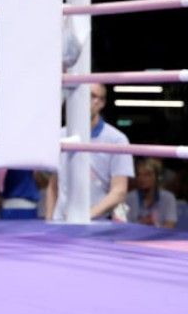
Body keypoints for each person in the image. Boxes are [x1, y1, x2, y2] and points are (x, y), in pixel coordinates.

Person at [46, 84, 134, 222]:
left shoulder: (117, 140)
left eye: (91, 95)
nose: (84, 100)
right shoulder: (59, 135)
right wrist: (49, 221)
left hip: (97, 223)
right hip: (60, 221)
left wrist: (85, 216)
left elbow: (119, 191)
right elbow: (53, 184)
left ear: (101, 102)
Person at [124, 157, 177, 228]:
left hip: (160, 238)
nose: (142, 179)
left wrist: (155, 225)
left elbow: (170, 226)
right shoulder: (129, 198)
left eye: (147, 175)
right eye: (139, 175)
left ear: (157, 177)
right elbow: (125, 227)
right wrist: (143, 222)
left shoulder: (168, 198)